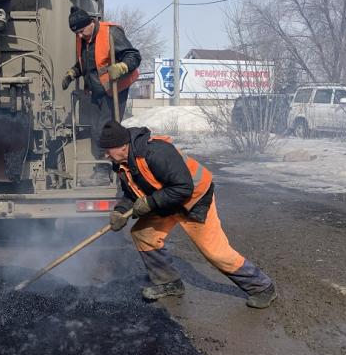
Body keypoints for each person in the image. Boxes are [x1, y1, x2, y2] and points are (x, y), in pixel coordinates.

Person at [98, 120, 277, 309]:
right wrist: (120, 211)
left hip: (193, 200)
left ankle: (262, 287)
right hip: (167, 201)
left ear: (121, 147)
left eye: (107, 150)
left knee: (215, 252)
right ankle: (168, 283)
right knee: (143, 234)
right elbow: (131, 194)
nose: (105, 155)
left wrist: (151, 202)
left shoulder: (156, 152)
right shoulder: (122, 165)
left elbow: (183, 188)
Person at [62, 6, 141, 181]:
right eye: (77, 33)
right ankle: (105, 165)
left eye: (82, 31)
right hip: (97, 91)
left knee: (106, 128)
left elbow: (134, 56)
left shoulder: (111, 33)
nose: (80, 36)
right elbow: (88, 65)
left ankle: (105, 170)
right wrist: (72, 73)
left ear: (91, 22)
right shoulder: (84, 39)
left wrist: (121, 67)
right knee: (95, 128)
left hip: (114, 89)